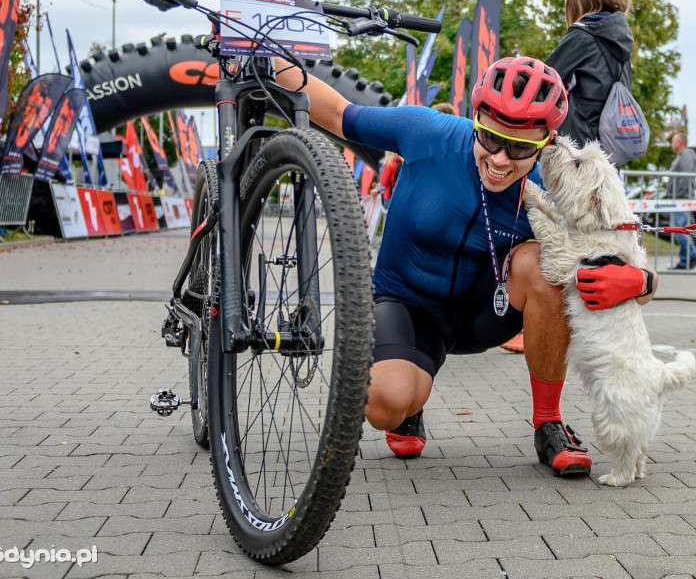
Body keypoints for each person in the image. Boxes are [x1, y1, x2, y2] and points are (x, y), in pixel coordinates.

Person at [275, 55, 659, 476]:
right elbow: (338, 113)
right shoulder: (427, 132)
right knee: (383, 405)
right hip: (407, 307)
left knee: (542, 264)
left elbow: (618, 247)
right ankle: (410, 403)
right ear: (475, 119)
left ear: (545, 143)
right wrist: (271, 61)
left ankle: (548, 422)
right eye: (491, 139)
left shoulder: (553, 182)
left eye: (519, 148)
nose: (500, 159)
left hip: (486, 311)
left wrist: (641, 281)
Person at [543, 0, 634, 149]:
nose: (566, 2)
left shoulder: (582, 37)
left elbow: (543, 80)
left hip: (578, 151)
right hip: (610, 149)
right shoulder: (620, 37)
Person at [666, 132, 696, 269]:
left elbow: (685, 178)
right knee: (682, 230)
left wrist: (678, 196)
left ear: (679, 142)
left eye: (673, 141)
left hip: (681, 198)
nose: (671, 144)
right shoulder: (683, 156)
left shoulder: (686, 156)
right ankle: (684, 261)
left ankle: (694, 256)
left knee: (676, 229)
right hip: (680, 198)